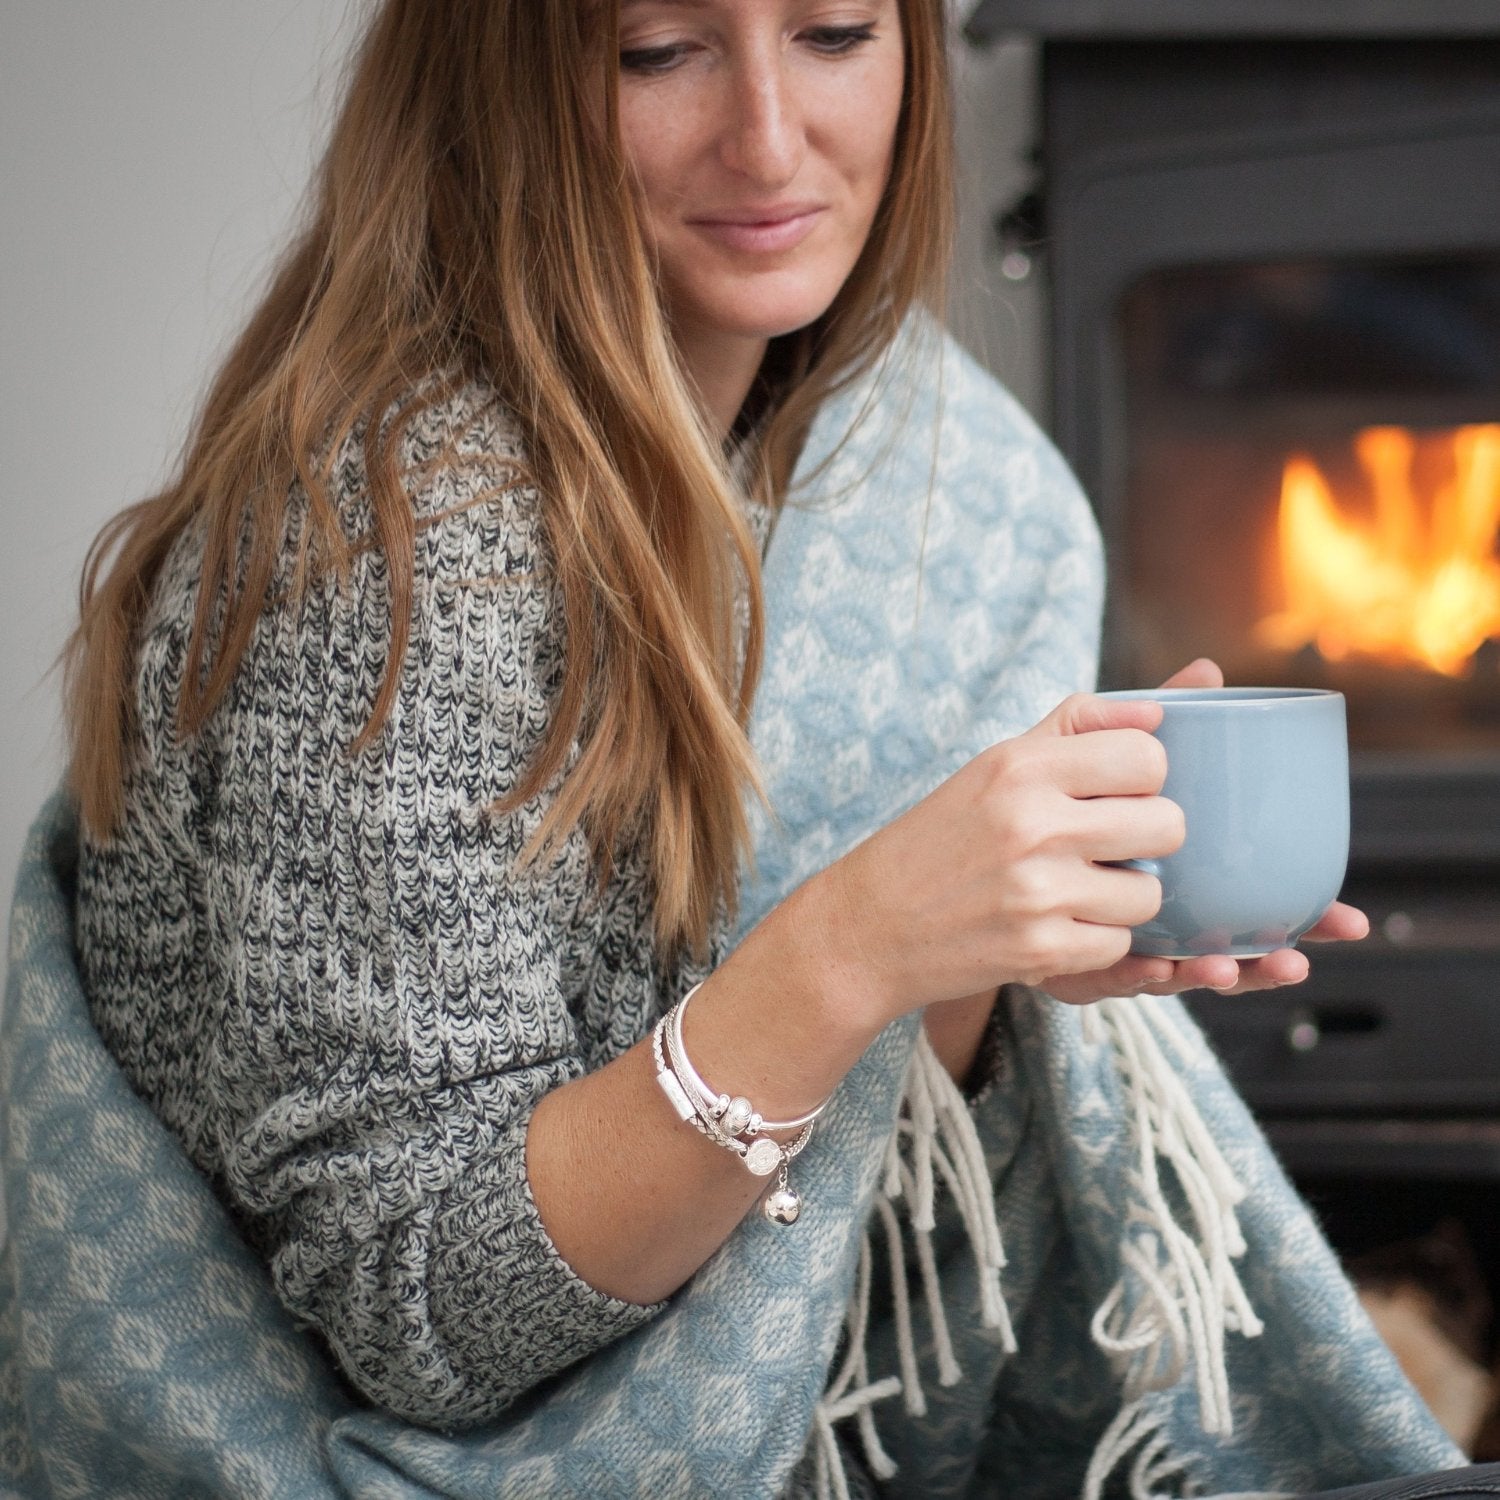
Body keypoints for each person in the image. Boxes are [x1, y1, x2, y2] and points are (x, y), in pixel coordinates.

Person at [2, 1, 1495, 1496]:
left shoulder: (927, 478)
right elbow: (421, 1312)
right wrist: (852, 942)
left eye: (836, 32)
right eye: (661, 51)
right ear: (507, 85)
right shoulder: (391, 545)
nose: (772, 138)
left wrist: (981, 946)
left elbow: (867, 1185)